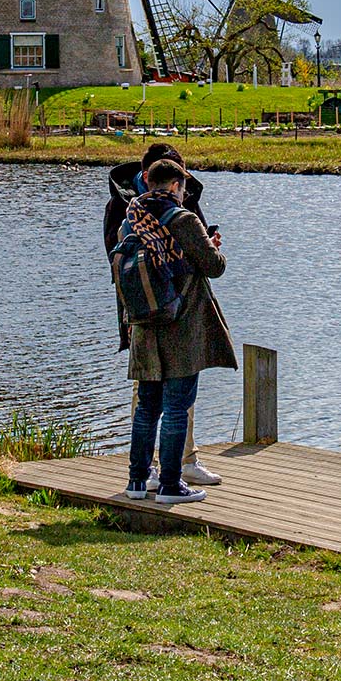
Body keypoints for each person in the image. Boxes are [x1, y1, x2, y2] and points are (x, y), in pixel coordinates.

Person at [120, 158, 236, 505]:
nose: (184, 194)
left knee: (146, 410)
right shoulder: (183, 219)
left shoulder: (131, 220)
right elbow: (213, 268)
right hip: (180, 327)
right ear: (173, 186)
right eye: (183, 187)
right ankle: (170, 485)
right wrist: (212, 246)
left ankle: (138, 482)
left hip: (143, 325)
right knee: (176, 408)